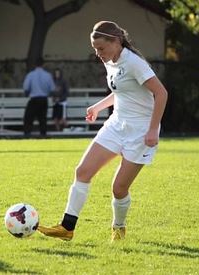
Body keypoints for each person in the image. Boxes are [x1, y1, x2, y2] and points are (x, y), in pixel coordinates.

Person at [37, 21, 168, 241]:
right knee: (83, 171)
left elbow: (161, 93)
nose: (98, 54)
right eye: (96, 49)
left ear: (116, 42)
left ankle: (118, 227)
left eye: (101, 48)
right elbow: (122, 91)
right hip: (116, 125)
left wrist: (153, 130)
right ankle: (67, 228)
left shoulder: (135, 63)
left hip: (140, 132)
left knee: (118, 188)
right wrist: (98, 107)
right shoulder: (111, 60)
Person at [22, 58, 55, 137]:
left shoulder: (31, 75)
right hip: (44, 99)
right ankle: (43, 134)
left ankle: (27, 133)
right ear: (43, 64)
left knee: (28, 117)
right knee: (42, 119)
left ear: (34, 64)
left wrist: (27, 94)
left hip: (34, 99)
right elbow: (52, 89)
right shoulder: (48, 75)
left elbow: (26, 88)